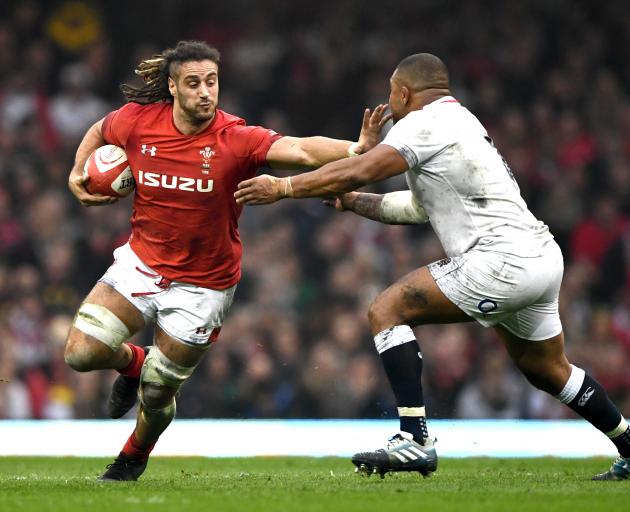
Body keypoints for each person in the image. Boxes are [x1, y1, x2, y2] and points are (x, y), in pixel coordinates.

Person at [235, 53, 630, 481]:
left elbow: (362, 169)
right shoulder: (462, 123)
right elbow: (415, 209)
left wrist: (284, 186)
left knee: (386, 309)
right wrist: (351, 202)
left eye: (392, 94)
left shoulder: (422, 125)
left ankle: (415, 440)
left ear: (404, 93)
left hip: (500, 261)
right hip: (540, 257)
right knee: (548, 369)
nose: (390, 103)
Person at [65, 40, 389, 481]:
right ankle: (134, 362)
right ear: (174, 88)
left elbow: (301, 150)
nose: (205, 92)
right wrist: (76, 170)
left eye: (212, 82)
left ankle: (132, 456)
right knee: (81, 354)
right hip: (141, 263)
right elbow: (100, 130)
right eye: (194, 83)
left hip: (204, 285)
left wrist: (357, 148)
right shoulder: (138, 122)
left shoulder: (234, 138)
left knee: (158, 394)